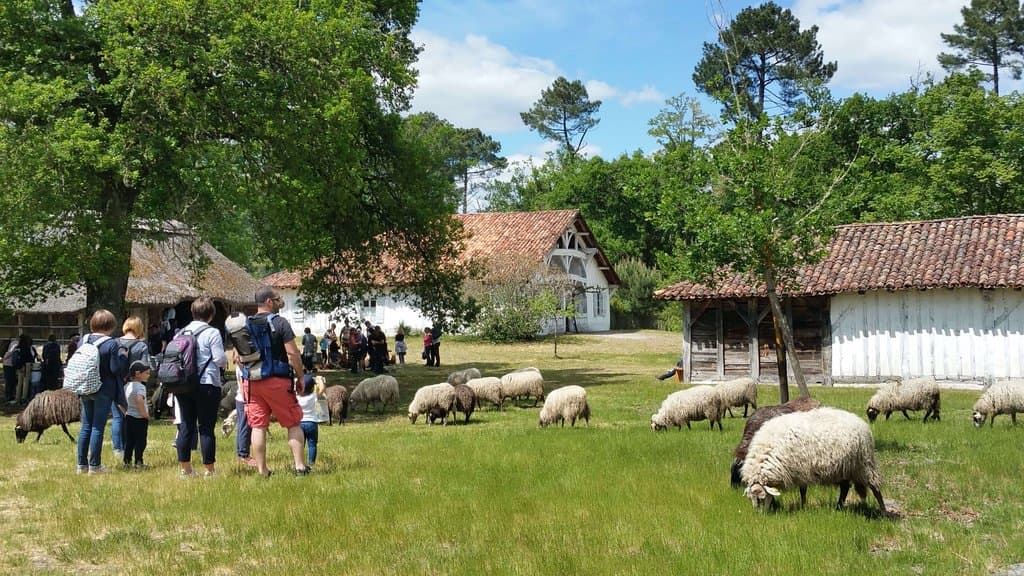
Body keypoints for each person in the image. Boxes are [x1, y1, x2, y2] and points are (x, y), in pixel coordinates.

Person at [242, 286, 308, 477]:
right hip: (277, 380)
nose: (279, 302)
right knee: (293, 423)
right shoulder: (280, 323)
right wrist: (301, 376)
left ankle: (263, 470)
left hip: (253, 382)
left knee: (258, 425)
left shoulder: (245, 325)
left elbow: (238, 356)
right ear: (269, 301)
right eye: (277, 299)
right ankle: (300, 467)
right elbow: (293, 353)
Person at [175, 297, 226, 478]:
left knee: (186, 425)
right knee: (206, 427)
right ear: (211, 315)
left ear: (192, 312)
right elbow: (219, 359)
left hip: (183, 385)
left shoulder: (180, 333)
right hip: (207, 383)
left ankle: (186, 469)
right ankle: (209, 470)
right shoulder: (212, 333)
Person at [76, 309, 129, 475]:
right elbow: (115, 369)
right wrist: (123, 357)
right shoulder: (111, 344)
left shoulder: (83, 340)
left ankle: (81, 465)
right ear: (111, 325)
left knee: (86, 426)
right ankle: (95, 465)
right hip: (103, 389)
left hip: (85, 386)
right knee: (98, 427)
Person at [114, 317, 151, 460]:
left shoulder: (115, 343)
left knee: (119, 417)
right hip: (134, 384)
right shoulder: (142, 346)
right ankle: (136, 452)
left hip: (118, 384)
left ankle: (119, 449)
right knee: (134, 416)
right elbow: (146, 365)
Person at [123, 361, 151, 469]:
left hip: (129, 417)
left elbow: (120, 402)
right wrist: (145, 414)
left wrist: (125, 412)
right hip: (140, 418)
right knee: (140, 441)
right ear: (138, 373)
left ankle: (127, 462)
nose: (149, 376)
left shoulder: (126, 386)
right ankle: (139, 462)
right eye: (147, 373)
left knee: (129, 441)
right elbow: (139, 400)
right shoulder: (140, 387)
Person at [231, 359, 255, 467]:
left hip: (241, 400)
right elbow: (242, 386)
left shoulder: (241, 366)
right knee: (245, 427)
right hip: (243, 400)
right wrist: (246, 402)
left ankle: (242, 452)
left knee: (242, 426)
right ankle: (244, 454)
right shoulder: (242, 368)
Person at [296, 374, 320, 468]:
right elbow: (321, 389)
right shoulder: (313, 396)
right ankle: (311, 464)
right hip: (312, 423)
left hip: (299, 423)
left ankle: (299, 462)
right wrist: (320, 380)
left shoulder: (296, 397)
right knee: (312, 445)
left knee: (300, 444)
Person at [14, 334, 39, 405]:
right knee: (26, 382)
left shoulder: (18, 347)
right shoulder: (26, 348)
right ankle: (23, 398)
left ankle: (17, 398)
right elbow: (30, 357)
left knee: (19, 383)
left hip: (19, 365)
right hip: (26, 365)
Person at [3, 339, 18, 404]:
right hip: (9, 365)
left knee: (11, 381)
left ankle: (9, 396)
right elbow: (8, 353)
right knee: (9, 381)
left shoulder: (14, 342)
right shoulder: (15, 343)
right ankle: (8, 396)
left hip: (9, 365)